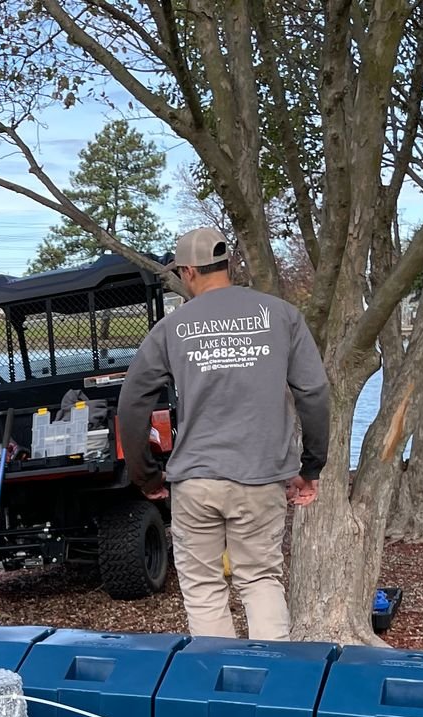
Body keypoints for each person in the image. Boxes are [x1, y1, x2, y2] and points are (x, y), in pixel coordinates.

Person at [115, 227, 330, 641]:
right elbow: (314, 392)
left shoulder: (171, 328)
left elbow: (133, 402)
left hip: (195, 481)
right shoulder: (282, 315)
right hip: (261, 476)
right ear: (225, 265)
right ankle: (272, 686)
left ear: (190, 271)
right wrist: (311, 466)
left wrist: (146, 475)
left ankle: (219, 690)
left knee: (203, 588)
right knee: (261, 579)